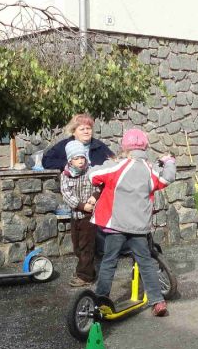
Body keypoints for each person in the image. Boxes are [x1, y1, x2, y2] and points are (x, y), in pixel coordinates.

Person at [88, 128, 176, 317]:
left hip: (115, 224)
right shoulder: (150, 169)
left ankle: (101, 300)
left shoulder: (116, 166)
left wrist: (107, 163)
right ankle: (158, 301)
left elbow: (92, 176)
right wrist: (169, 162)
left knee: (109, 261)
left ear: (124, 148)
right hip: (139, 227)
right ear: (145, 147)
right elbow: (167, 178)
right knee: (145, 262)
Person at [59, 140, 98, 288]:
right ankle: (86, 269)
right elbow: (66, 194)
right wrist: (82, 206)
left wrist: (94, 196)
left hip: (89, 217)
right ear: (70, 160)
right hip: (76, 216)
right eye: (76, 158)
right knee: (77, 247)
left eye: (82, 157)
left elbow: (100, 186)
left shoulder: (91, 171)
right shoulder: (65, 175)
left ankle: (85, 276)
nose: (80, 161)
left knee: (86, 246)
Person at [42, 114, 115, 170]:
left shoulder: (99, 146)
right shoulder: (64, 145)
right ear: (73, 132)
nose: (86, 131)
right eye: (82, 129)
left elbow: (113, 161)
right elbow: (47, 161)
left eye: (88, 128)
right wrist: (69, 164)